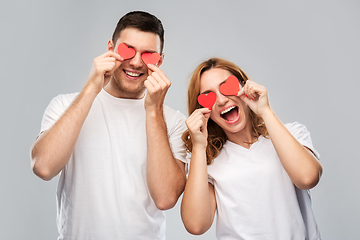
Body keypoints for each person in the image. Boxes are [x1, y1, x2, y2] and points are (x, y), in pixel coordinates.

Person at [31, 11, 187, 240]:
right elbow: (43, 167)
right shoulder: (65, 105)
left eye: (148, 55)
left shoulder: (173, 122)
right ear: (110, 48)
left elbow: (165, 198)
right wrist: (91, 89)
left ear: (160, 61)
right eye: (128, 50)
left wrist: (153, 111)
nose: (135, 62)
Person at [180, 58, 323, 239]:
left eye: (227, 87)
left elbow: (308, 177)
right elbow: (196, 225)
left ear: (244, 86)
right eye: (210, 96)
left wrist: (265, 111)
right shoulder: (207, 163)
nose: (222, 100)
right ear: (202, 109)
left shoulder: (291, 133)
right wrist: (199, 146)